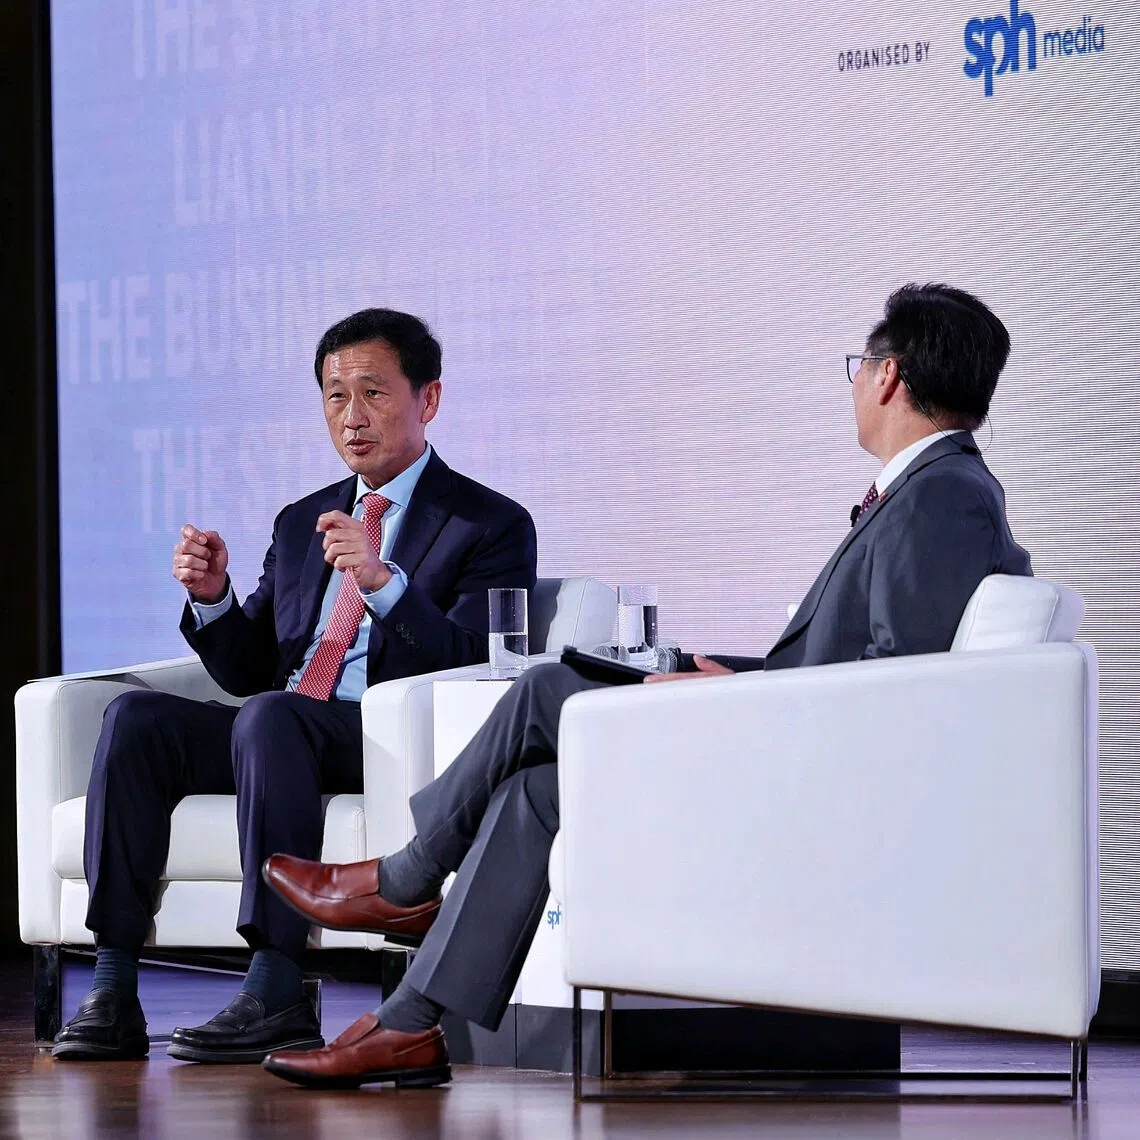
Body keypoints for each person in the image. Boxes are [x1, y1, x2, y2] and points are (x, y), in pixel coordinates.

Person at [259, 282, 1033, 1090]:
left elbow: (895, 692)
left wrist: (725, 700)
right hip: (791, 734)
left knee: (549, 686)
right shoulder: (932, 492)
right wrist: (730, 675)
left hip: (812, 773)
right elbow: (859, 668)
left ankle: (403, 878)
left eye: (859, 366)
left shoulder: (940, 497)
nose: (854, 385)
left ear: (889, 375)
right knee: (533, 791)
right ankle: (410, 1026)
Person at [51, 308, 538, 1064]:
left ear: (428, 399)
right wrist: (212, 598)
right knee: (138, 719)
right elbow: (249, 671)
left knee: (273, 719)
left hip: (375, 736)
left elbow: (481, 663)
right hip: (279, 730)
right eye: (335, 397)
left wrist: (387, 586)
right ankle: (113, 988)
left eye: (374, 393)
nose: (352, 417)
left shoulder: (489, 523)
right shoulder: (302, 519)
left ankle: (276, 988)